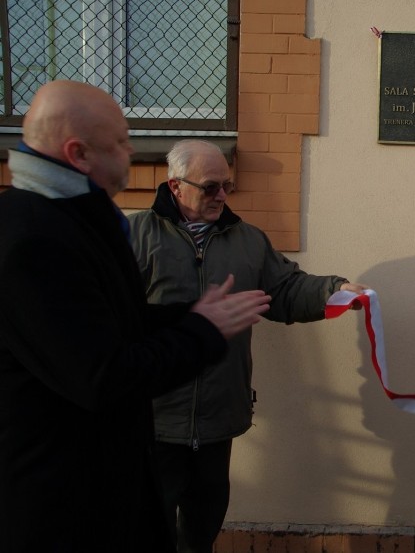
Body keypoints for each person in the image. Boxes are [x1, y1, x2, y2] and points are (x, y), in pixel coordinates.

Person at [0, 80, 271, 552]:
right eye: (122, 143)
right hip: (59, 504)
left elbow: (113, 326)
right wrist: (201, 330)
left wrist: (187, 316)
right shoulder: (33, 237)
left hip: (99, 479)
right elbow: (105, 375)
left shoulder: (73, 220)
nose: (131, 153)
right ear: (78, 153)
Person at [128, 139, 368, 553]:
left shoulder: (248, 241)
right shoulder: (134, 235)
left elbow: (287, 288)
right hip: (154, 421)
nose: (222, 195)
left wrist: (337, 290)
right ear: (175, 187)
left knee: (201, 529)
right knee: (149, 532)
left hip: (219, 420)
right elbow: (111, 317)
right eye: (210, 187)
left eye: (227, 185)